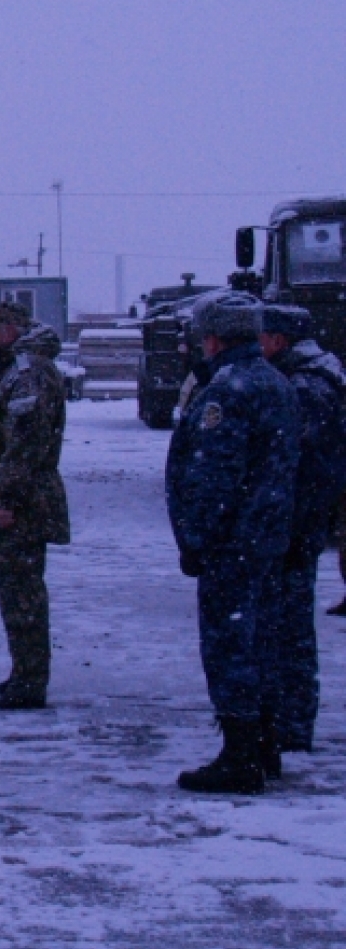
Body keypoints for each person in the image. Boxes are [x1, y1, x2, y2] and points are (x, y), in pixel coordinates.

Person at [166, 291, 300, 794]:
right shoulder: (275, 381)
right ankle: (264, 743)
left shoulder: (229, 389)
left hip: (234, 543)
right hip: (266, 537)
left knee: (229, 645)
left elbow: (213, 476)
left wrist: (198, 538)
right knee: (262, 639)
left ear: (214, 337)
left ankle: (241, 754)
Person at [257, 304, 346, 777]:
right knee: (285, 628)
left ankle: (293, 724)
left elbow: (309, 467)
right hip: (293, 524)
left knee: (290, 630)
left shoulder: (309, 387)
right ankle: (288, 719)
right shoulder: (305, 378)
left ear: (279, 340)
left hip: (295, 527)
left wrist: (293, 525)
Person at [0, 302, 70, 712]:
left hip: (23, 503)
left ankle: (30, 681)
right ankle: (23, 673)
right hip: (19, 498)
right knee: (15, 591)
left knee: (22, 592)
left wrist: (6, 498)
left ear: (11, 329)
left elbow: (25, 442)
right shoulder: (15, 369)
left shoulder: (28, 373)